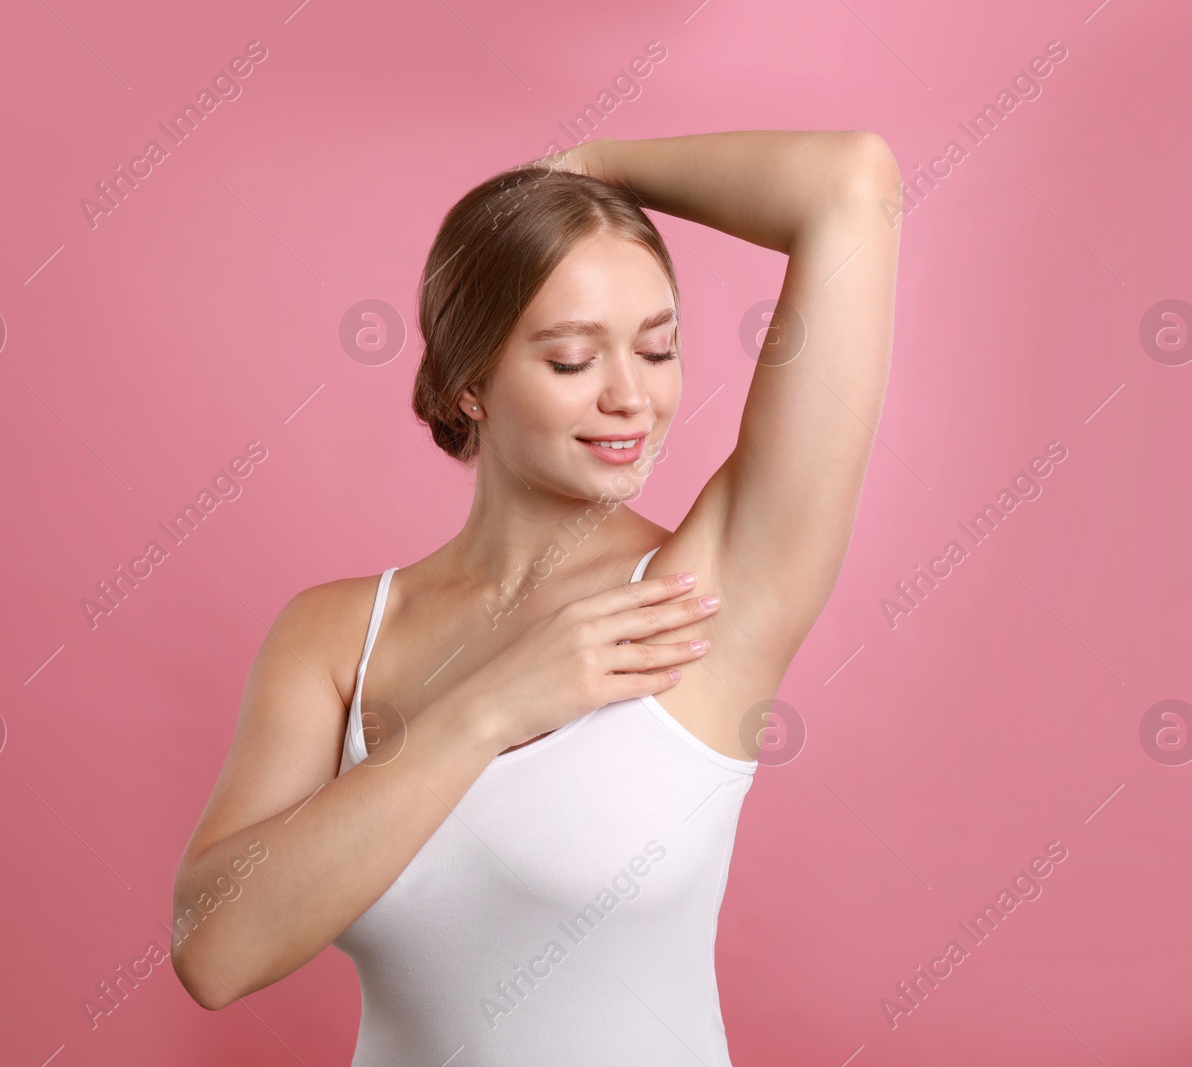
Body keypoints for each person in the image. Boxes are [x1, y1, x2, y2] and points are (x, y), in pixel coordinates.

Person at [170, 129, 901, 1064]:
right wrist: (493, 705)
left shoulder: (708, 591)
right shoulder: (333, 636)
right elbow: (215, 952)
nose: (631, 398)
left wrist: (587, 170)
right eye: (571, 361)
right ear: (471, 383)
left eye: (659, 349)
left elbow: (851, 182)